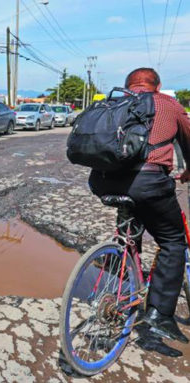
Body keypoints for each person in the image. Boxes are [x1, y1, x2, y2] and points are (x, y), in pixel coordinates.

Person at [89, 68, 190, 346]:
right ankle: (159, 314)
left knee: (132, 226)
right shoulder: (169, 104)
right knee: (172, 241)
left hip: (101, 182)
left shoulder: (115, 102)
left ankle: (124, 267)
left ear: (127, 86)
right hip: (148, 182)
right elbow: (188, 142)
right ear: (157, 87)